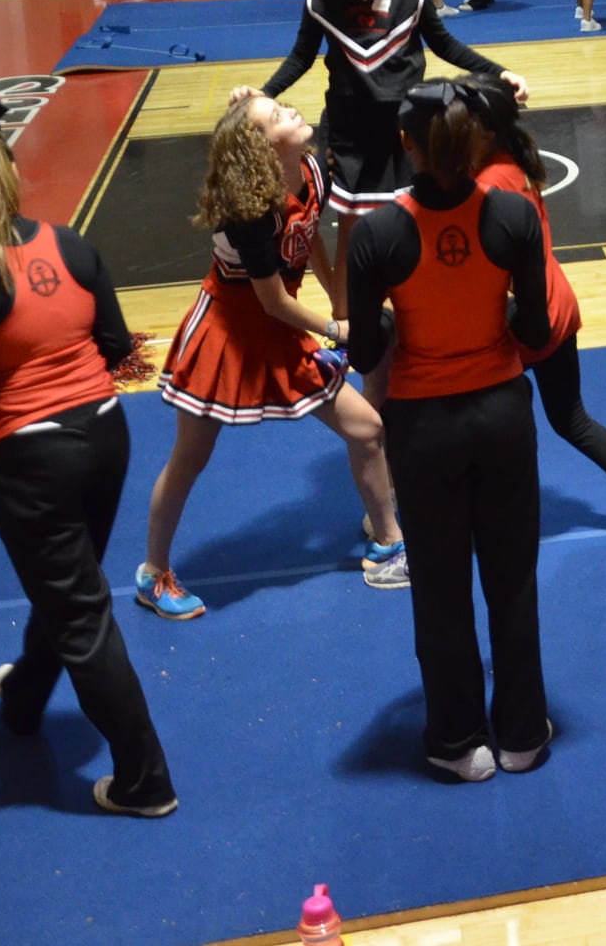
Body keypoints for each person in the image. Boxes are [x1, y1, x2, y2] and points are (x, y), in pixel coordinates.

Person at [0, 94, 176, 816]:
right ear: (8, 169)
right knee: (70, 586)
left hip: (31, 458)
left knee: (80, 612)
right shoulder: (73, 245)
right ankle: (27, 695)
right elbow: (121, 349)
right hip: (105, 436)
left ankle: (146, 781)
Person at [346, 82, 555, 781]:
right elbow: (537, 328)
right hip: (500, 415)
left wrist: (397, 325)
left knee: (439, 587)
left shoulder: (377, 232)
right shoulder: (512, 214)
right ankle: (523, 734)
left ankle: (457, 741)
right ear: (474, 144)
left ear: (406, 146)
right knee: (512, 579)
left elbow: (367, 354)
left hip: (425, 424)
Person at [138, 95, 407, 621]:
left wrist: (336, 294)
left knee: (368, 430)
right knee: (189, 459)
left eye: (284, 107)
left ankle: (389, 546)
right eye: (278, 115)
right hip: (229, 332)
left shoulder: (310, 168)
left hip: (282, 329)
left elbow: (307, 239)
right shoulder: (250, 210)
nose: (292, 112)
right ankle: (153, 574)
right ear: (262, 148)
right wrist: (335, 327)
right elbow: (272, 301)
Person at [469, 79, 606, 543]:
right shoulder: (517, 159)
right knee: (571, 419)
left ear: (481, 130)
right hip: (555, 305)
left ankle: (467, 520)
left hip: (520, 318)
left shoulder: (486, 186)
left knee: (467, 414)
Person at [250, 0, 527, 251]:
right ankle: (350, 309)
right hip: (350, 131)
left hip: (405, 129)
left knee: (413, 225)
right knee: (355, 232)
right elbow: (301, 56)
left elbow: (444, 43)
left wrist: (499, 72)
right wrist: (266, 92)